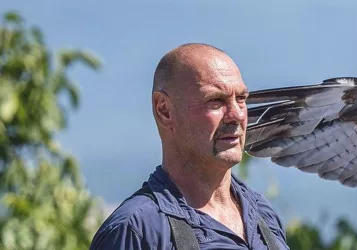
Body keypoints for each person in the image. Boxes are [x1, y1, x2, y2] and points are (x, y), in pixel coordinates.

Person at [90, 43, 289, 250]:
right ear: (164, 110)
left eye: (241, 99)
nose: (237, 115)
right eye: (216, 101)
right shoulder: (137, 231)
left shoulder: (263, 215)